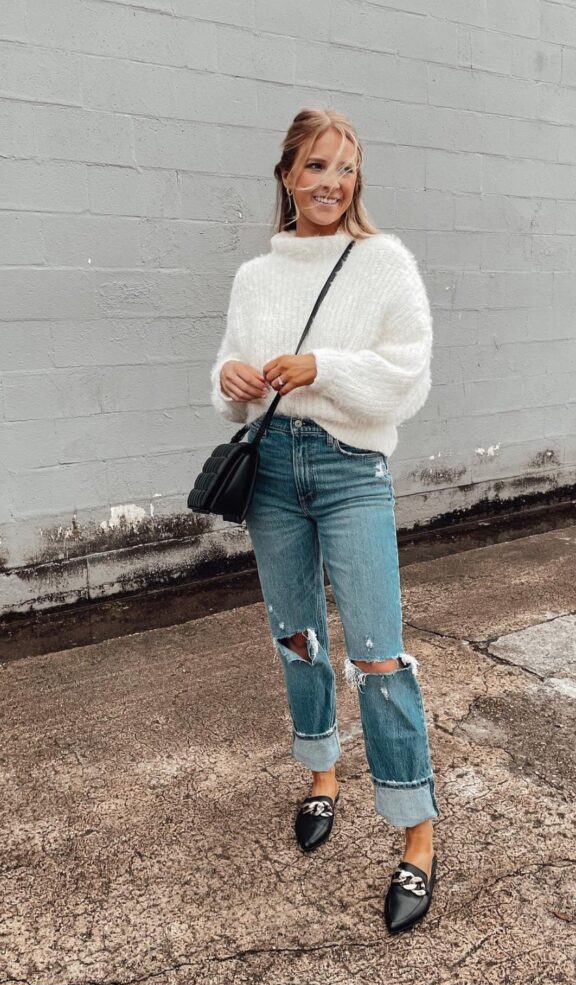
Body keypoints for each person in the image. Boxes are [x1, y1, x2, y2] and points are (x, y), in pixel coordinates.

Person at [210, 108, 439, 933]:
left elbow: (406, 375)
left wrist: (323, 367)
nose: (330, 185)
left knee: (378, 654)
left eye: (344, 169)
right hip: (272, 473)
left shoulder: (382, 264)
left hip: (349, 472)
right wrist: (232, 378)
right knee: (298, 634)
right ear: (285, 175)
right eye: (314, 167)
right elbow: (226, 371)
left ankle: (417, 833)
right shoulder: (255, 277)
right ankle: (321, 773)